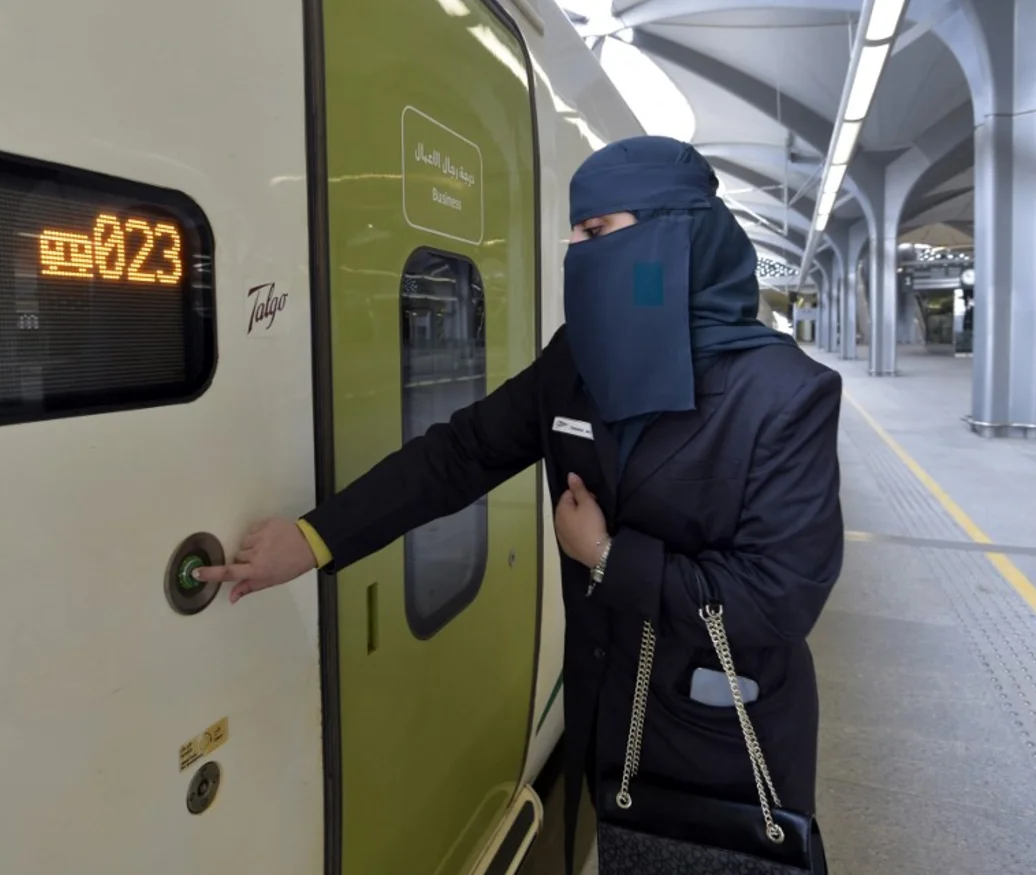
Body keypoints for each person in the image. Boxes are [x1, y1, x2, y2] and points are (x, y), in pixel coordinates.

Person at [194, 136, 843, 871]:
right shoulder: (577, 360)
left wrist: (606, 556)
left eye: (595, 231)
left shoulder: (784, 395)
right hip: (605, 721)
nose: (577, 252)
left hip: (720, 742)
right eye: (576, 233)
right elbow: (460, 453)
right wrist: (315, 539)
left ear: (672, 235)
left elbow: (778, 600)